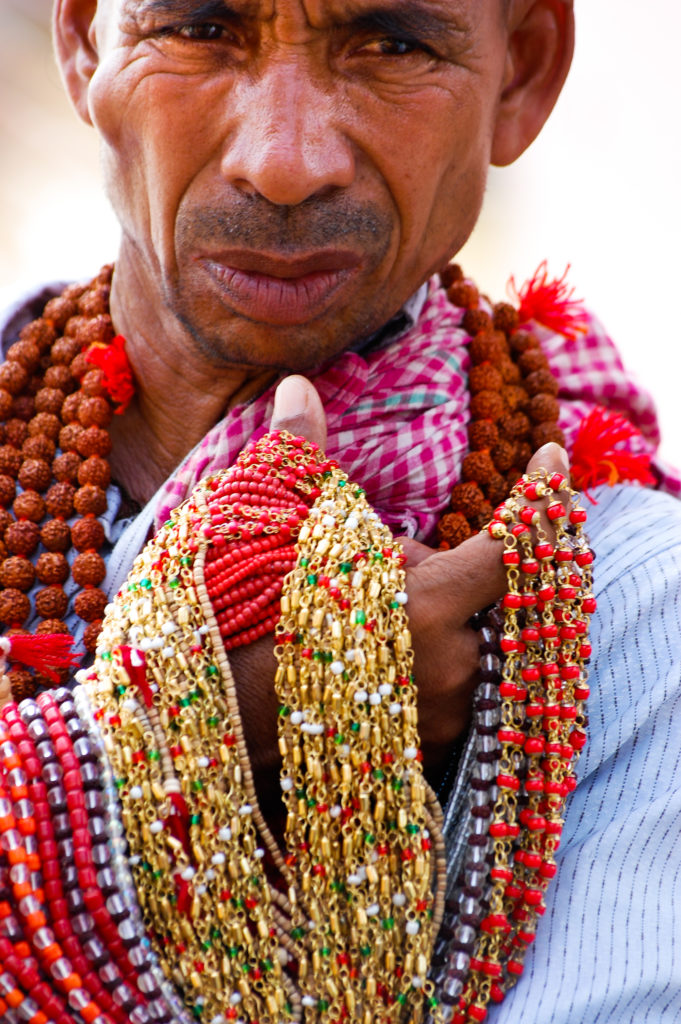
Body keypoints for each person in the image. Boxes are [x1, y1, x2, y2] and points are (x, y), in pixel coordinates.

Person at [0, 1, 679, 1022]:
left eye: (394, 45)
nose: (285, 161)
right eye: (200, 26)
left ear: (522, 75)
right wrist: (196, 736)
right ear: (88, 42)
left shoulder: (624, 603)